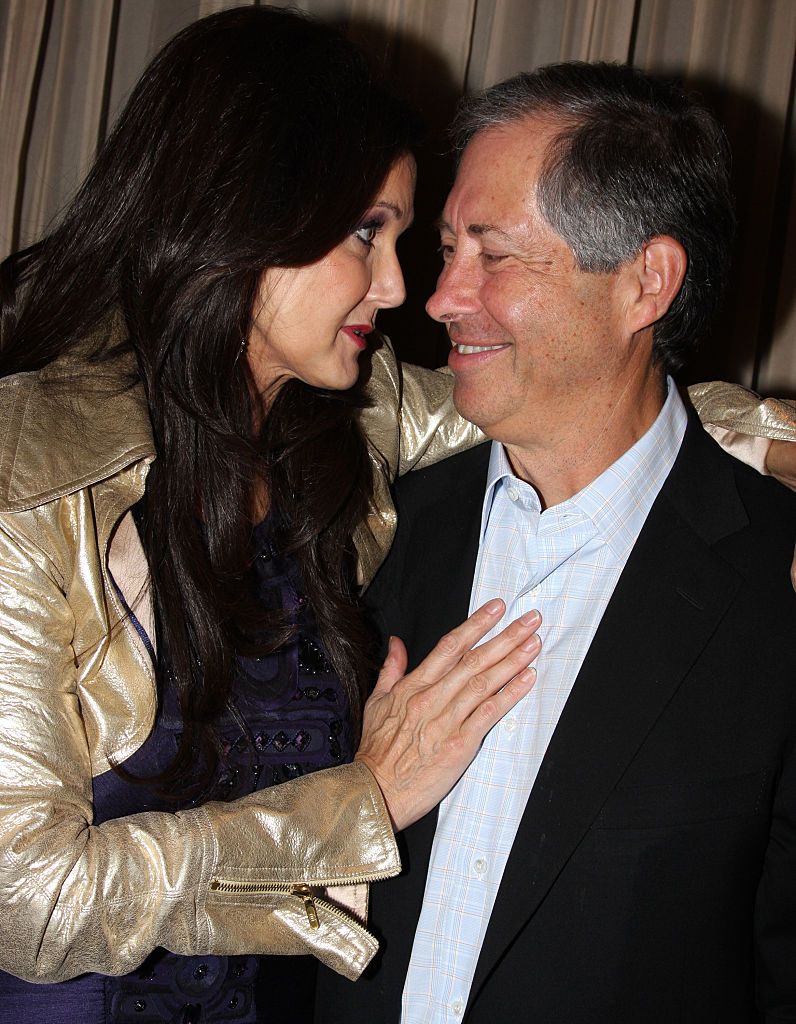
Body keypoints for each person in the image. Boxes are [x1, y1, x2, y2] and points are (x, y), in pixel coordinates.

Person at [0, 8, 548, 1023]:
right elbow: (26, 898)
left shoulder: (349, 416)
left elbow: (558, 393)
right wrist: (363, 802)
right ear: (239, 214)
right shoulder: (22, 473)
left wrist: (767, 436)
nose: (398, 285)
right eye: (363, 233)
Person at [315, 62, 796, 1023]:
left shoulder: (773, 587)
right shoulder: (371, 527)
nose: (439, 297)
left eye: (493, 256)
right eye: (448, 247)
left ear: (645, 283)